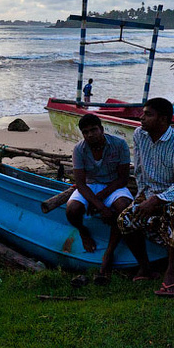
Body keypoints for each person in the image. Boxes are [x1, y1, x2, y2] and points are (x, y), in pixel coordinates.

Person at [116, 97, 174, 297]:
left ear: (164, 119)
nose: (142, 118)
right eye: (143, 113)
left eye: (148, 114)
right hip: (153, 192)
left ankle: (172, 275)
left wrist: (156, 200)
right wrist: (142, 198)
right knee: (126, 219)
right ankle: (146, 268)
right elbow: (140, 170)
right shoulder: (140, 135)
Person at [66, 113, 132, 283]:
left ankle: (109, 253)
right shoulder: (79, 149)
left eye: (94, 130)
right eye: (85, 132)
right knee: (72, 210)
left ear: (102, 129)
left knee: (124, 207)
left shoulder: (119, 145)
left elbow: (123, 179)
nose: (90, 135)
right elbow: (80, 184)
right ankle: (83, 231)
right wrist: (100, 206)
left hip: (114, 185)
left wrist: (100, 199)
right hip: (90, 185)